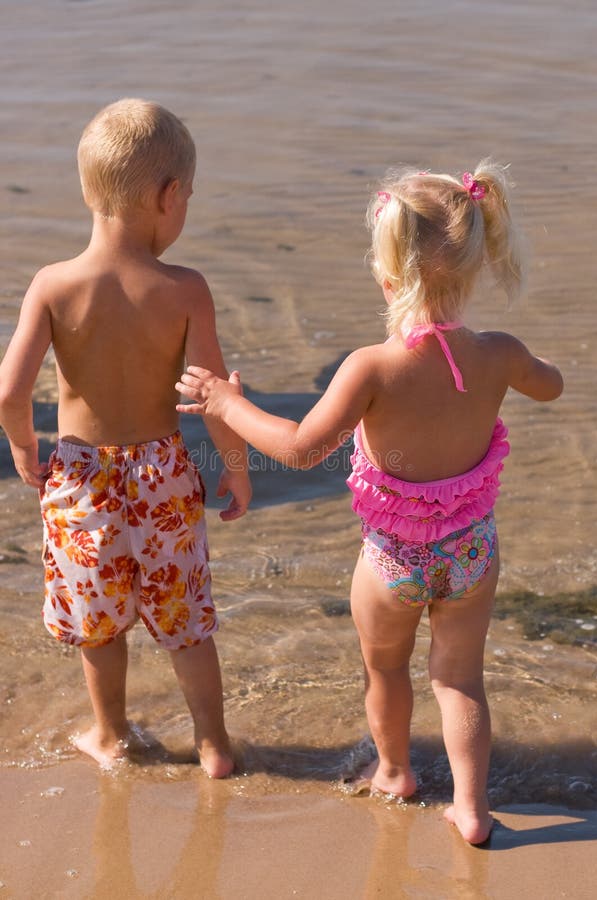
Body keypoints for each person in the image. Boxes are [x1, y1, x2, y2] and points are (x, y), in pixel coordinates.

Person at [175, 161, 563, 841]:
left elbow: (299, 449)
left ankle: (394, 771)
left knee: (385, 669)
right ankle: (472, 809)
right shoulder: (500, 354)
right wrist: (528, 366)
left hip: (392, 564)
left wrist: (228, 403)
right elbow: (552, 386)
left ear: (387, 278)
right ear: (475, 267)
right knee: (460, 680)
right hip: (472, 553)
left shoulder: (371, 368)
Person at [0, 98, 251, 776]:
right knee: (185, 623)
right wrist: (238, 471)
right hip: (163, 476)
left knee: (100, 623)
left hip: (81, 482)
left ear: (89, 191)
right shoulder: (185, 288)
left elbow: (8, 390)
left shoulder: (53, 286)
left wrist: (26, 446)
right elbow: (214, 395)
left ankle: (109, 737)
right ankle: (214, 746)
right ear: (170, 196)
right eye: (189, 197)